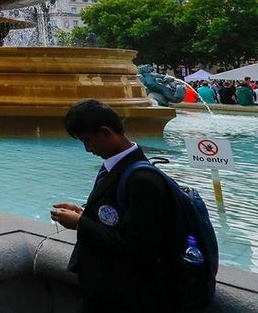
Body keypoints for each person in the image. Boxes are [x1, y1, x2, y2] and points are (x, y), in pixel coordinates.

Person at [50, 99, 176, 313]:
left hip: (123, 296)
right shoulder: (116, 167)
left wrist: (82, 223)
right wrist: (84, 213)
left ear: (106, 132)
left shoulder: (142, 180)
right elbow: (119, 220)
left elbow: (138, 249)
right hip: (104, 289)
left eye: (87, 140)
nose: (88, 149)